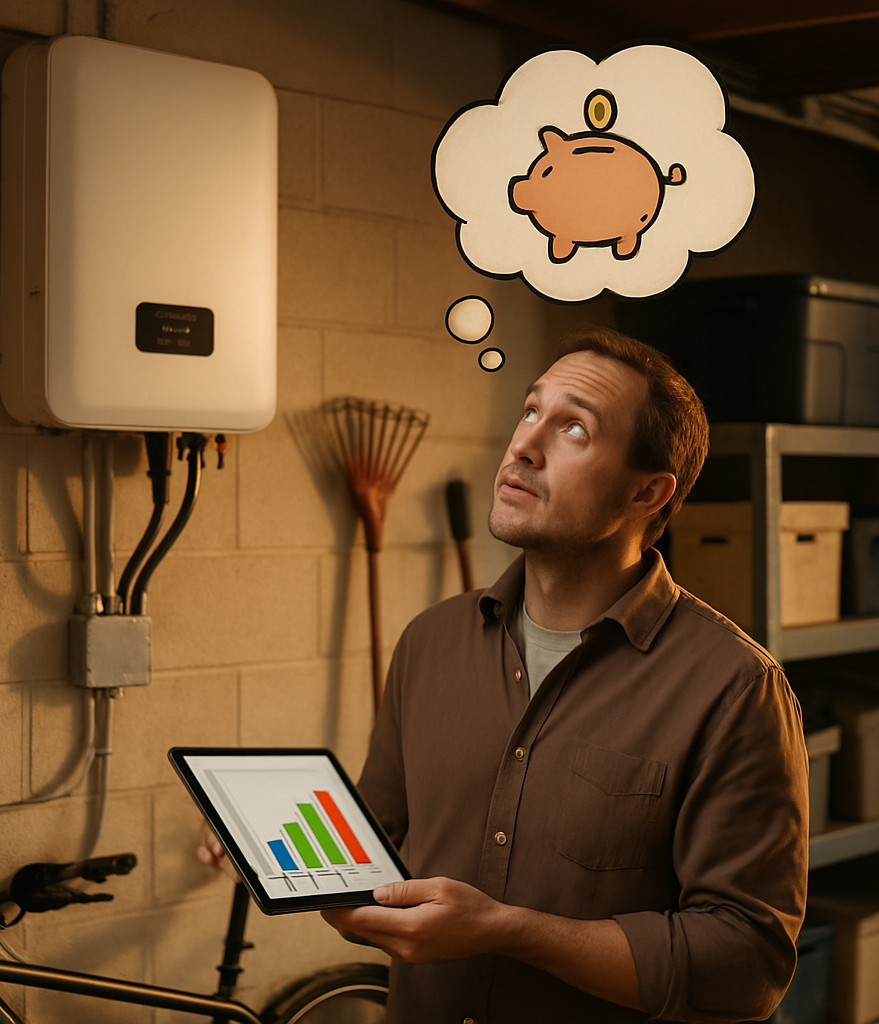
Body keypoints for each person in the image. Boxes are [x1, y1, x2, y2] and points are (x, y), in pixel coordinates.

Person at [201, 326, 809, 1023]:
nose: (524, 445)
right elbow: (380, 857)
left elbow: (747, 964)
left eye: (574, 428)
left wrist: (507, 929)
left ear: (649, 493)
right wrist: (285, 859)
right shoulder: (431, 643)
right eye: (530, 411)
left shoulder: (734, 689)